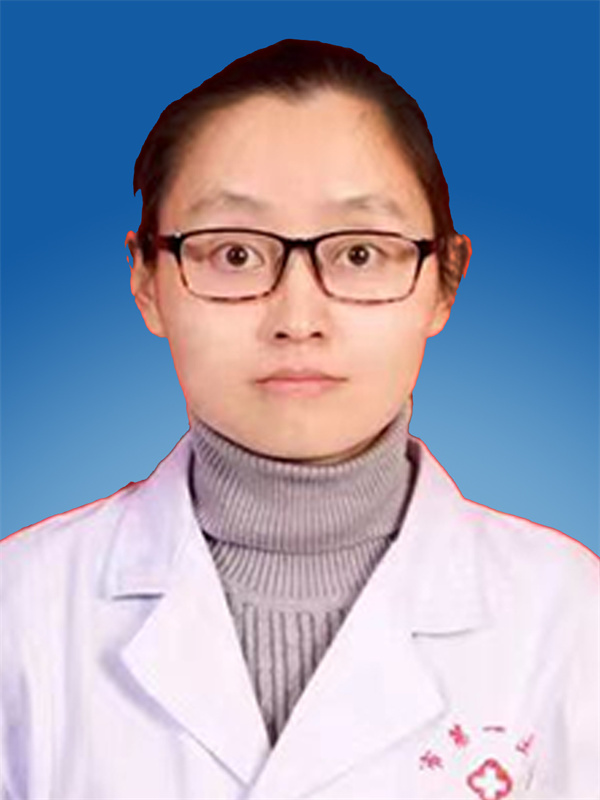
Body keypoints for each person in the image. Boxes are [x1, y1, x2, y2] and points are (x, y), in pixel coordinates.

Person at [1, 38, 598, 800]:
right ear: (147, 280)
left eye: (359, 254)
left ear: (445, 280)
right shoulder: (21, 612)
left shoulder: (571, 619)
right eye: (234, 254)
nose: (297, 318)